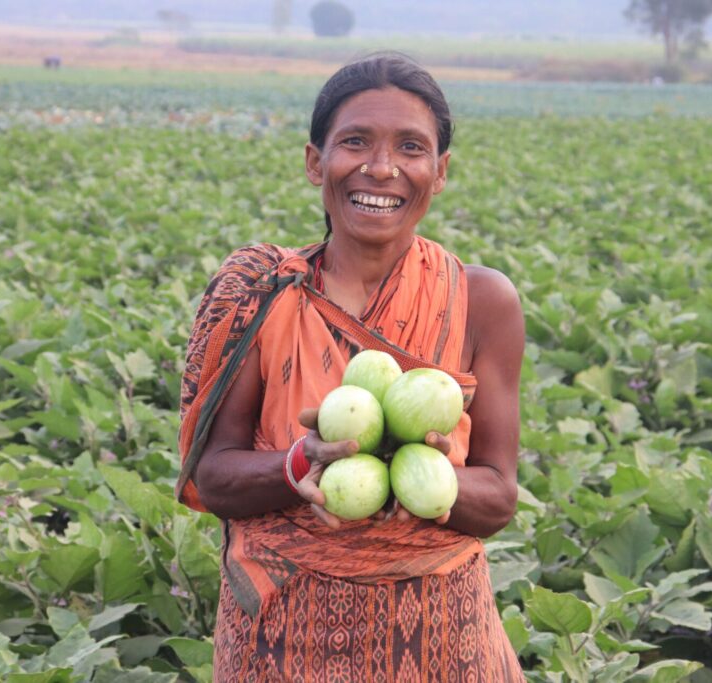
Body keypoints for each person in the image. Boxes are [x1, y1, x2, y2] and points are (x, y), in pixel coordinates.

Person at [176, 52, 526, 681]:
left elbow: (498, 495)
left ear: (440, 172)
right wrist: (302, 460)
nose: (381, 168)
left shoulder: (483, 302)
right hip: (281, 639)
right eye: (355, 141)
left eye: (411, 148)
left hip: (443, 642)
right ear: (316, 161)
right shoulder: (261, 294)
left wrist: (413, 477)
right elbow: (214, 477)